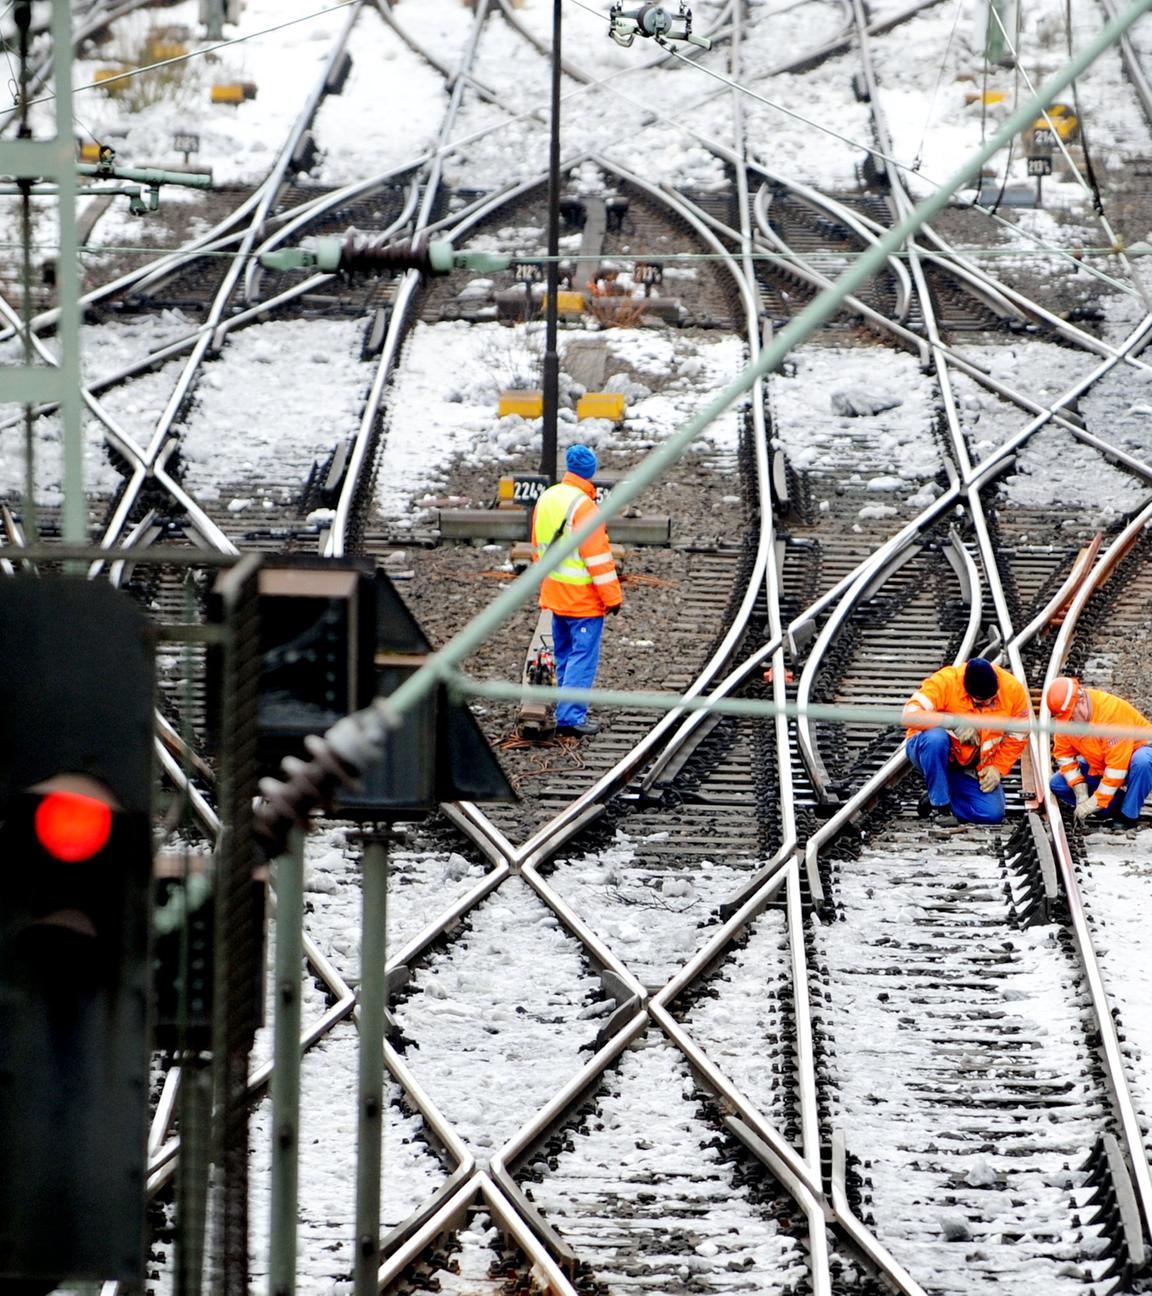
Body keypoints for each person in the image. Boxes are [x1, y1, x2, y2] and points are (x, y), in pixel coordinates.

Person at [530, 444, 622, 738]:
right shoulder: (584, 506)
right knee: (583, 657)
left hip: (555, 594)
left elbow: (536, 546)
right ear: (590, 472)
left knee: (565, 652)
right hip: (583, 600)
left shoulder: (547, 497)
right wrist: (613, 598)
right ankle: (571, 717)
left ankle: (565, 708)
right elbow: (598, 558)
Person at [902, 657, 1030, 824]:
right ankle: (941, 806)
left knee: (992, 814)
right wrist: (952, 722)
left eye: (992, 699)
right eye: (982, 702)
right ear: (968, 692)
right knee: (935, 739)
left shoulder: (1012, 690)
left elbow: (1019, 735)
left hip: (969, 765)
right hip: (929, 751)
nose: (989, 704)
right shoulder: (946, 682)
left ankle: (944, 792)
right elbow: (909, 715)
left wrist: (998, 767)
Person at [1046, 676, 1152, 827]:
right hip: (1102, 764)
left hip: (1133, 759)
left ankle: (1128, 816)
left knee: (1143, 762)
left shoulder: (1111, 713)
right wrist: (1080, 791)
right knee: (1058, 784)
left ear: (1081, 700)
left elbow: (1117, 769)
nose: (1069, 723)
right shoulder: (1066, 720)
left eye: (1071, 717)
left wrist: (1095, 802)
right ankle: (1117, 805)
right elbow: (1064, 756)